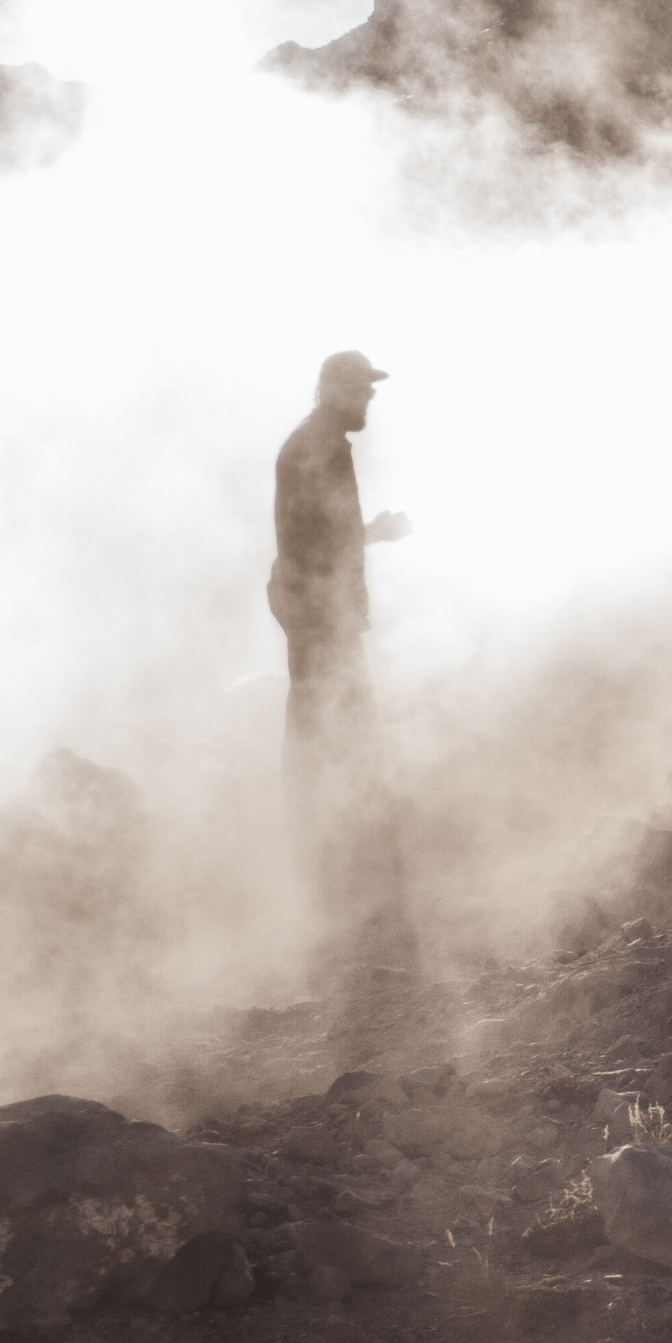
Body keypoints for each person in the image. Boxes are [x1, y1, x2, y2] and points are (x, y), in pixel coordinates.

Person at [267, 350, 409, 941]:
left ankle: (342, 877)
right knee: (334, 741)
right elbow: (311, 543)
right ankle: (346, 884)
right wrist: (370, 536)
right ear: (331, 390)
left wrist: (367, 535)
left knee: (327, 738)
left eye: (370, 389)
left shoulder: (318, 443)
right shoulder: (316, 447)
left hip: (320, 616)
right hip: (321, 619)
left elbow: (317, 537)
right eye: (359, 390)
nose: (369, 399)